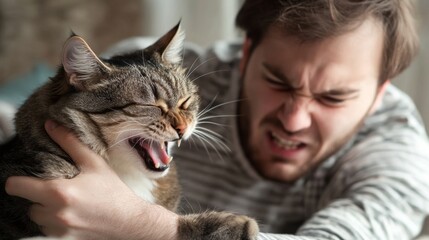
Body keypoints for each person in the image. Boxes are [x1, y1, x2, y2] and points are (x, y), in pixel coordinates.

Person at [4, 0, 429, 239]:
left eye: (333, 97)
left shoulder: (400, 157)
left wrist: (142, 225)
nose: (295, 119)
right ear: (245, 55)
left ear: (380, 93)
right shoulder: (164, 68)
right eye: (278, 81)